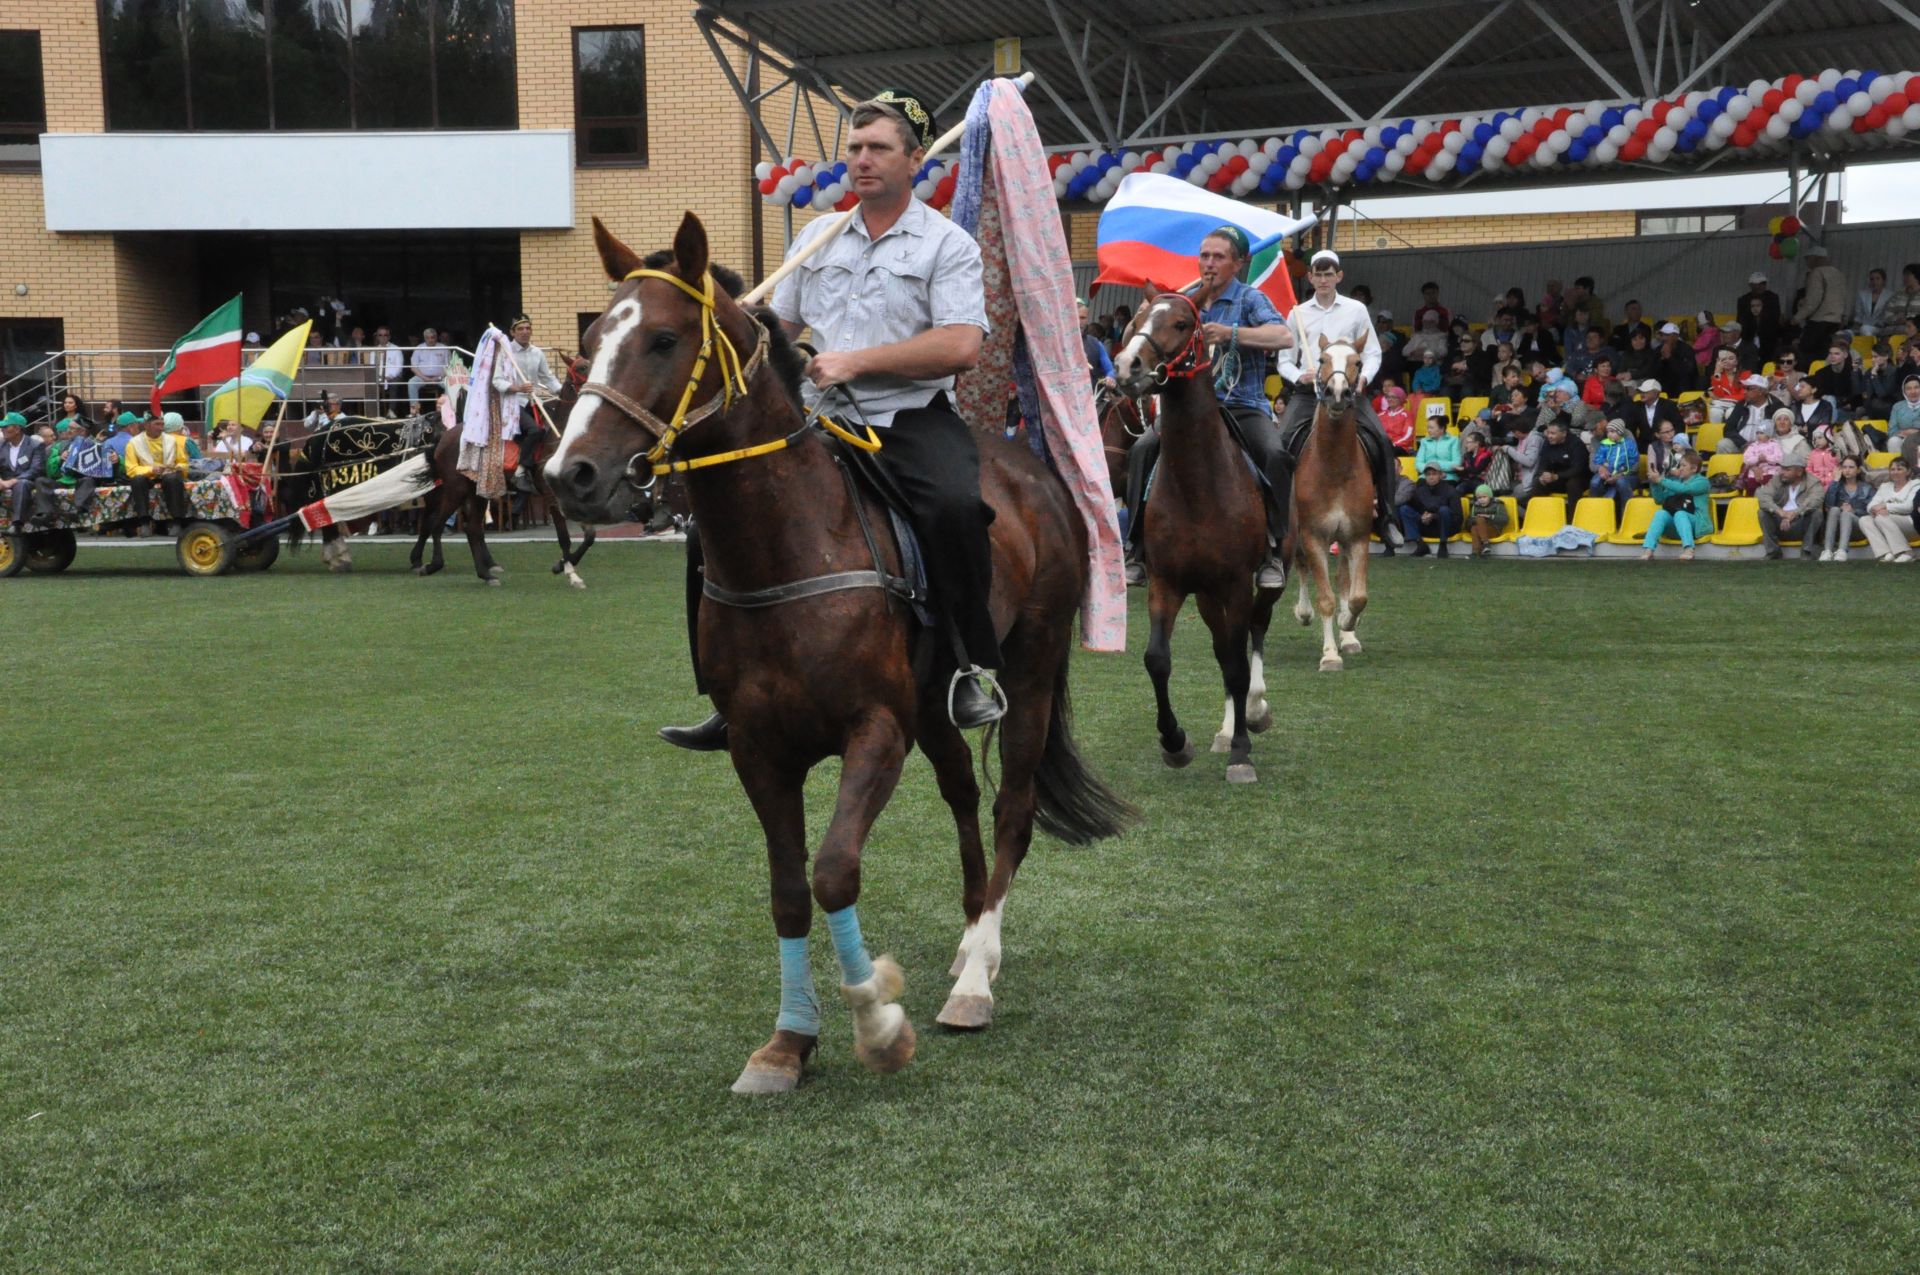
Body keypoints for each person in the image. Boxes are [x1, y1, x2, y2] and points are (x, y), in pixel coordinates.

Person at [663, 88, 1000, 751]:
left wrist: (857, 362)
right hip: (815, 423)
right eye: (854, 148)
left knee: (956, 507)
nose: (862, 160)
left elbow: (962, 345)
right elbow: (778, 332)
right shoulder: (817, 237)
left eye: (878, 148)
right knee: (712, 527)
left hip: (906, 419)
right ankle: (723, 691)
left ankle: (970, 666)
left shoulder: (947, 245)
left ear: (914, 160)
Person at [1123, 225, 1302, 588]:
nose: (1209, 263)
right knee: (1141, 449)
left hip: (1241, 405)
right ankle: (1136, 547)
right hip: (1186, 412)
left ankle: (1273, 548)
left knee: (1274, 454)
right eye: (1204, 255)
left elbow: (1283, 336)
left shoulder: (1250, 299)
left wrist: (1232, 333)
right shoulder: (1180, 300)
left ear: (1237, 264)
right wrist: (1141, 318)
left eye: (1218, 257)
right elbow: (1131, 342)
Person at [1268, 247, 1401, 549]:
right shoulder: (1297, 313)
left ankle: (1388, 517)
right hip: (1307, 394)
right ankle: (1276, 520)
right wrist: (1297, 376)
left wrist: (1364, 377)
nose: (1324, 279)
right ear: (1310, 277)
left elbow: (1372, 353)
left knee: (1381, 441)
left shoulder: (1355, 309)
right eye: (1319, 274)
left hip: (1350, 391)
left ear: (1339, 276)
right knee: (1279, 447)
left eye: (1330, 274)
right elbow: (1284, 360)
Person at [123, 411, 192, 529]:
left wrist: (180, 467)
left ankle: (176, 521)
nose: (161, 428)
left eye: (162, 424)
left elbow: (183, 462)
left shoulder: (172, 440)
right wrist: (151, 470)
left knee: (174, 479)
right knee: (137, 480)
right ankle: (144, 522)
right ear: (146, 425)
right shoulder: (133, 443)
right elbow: (131, 469)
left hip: (168, 474)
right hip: (147, 477)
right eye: (157, 424)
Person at [1640, 449, 1710, 560]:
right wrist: (1655, 484)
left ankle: (1689, 549)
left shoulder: (1703, 482)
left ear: (1694, 469)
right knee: (1661, 513)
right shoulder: (1675, 482)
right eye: (1679, 465)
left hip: (1697, 527)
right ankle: (1648, 550)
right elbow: (1659, 500)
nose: (1680, 468)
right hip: (1677, 528)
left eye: (1683, 465)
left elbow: (1684, 489)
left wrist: (1661, 480)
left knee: (1680, 514)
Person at [501, 316, 563, 439]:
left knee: (555, 426)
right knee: (534, 431)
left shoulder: (537, 352)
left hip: (535, 400)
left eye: (528, 328)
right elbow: (497, 381)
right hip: (513, 402)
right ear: (512, 332)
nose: (525, 332)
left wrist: (562, 391)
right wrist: (518, 388)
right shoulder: (505, 352)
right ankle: (523, 459)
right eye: (520, 329)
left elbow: (548, 377)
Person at [1757, 456, 1824, 559]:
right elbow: (1763, 497)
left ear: (1799, 472)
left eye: (1787, 469)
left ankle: (1807, 551)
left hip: (1801, 523)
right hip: (1780, 523)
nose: (1782, 472)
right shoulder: (1777, 479)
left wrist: (1793, 514)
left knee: (1817, 513)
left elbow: (1814, 501)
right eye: (1782, 468)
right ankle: (1773, 552)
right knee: (1762, 513)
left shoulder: (1813, 482)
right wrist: (1780, 512)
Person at [1792, 242, 1847, 364]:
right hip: (1835, 321)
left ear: (1816, 258)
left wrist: (1797, 317)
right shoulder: (1839, 274)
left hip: (1819, 320)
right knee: (1823, 355)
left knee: (1805, 354)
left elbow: (1813, 300)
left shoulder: (1817, 272)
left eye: (1808, 259)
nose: (1807, 262)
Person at [49, 416, 114, 518]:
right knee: (41, 481)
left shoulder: (99, 444)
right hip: (64, 480)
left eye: (71, 428)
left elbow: (111, 465)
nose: (68, 431)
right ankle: (45, 514)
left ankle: (77, 511)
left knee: (87, 480)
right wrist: (59, 458)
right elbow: (50, 470)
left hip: (83, 481)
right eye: (68, 428)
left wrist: (116, 459)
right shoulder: (60, 446)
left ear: (82, 431)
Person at [1858, 456, 1918, 562]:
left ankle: (1907, 552)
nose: (1895, 472)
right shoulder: (1884, 486)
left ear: (1908, 471)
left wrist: (1886, 507)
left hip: (1911, 523)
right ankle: (1886, 553)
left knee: (1881, 517)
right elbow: (1870, 506)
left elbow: (1909, 507)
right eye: (1893, 469)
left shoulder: (1916, 484)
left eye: (1899, 469)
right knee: (1864, 519)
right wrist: (1875, 509)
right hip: (1885, 521)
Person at [0, 412, 52, 527]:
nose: (2, 429)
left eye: (5, 426)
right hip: (5, 481)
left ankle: (17, 523)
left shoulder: (36, 445)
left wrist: (13, 481)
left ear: (17, 429)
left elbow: (36, 469)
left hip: (28, 481)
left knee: (22, 484)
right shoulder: (1, 445)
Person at [1530, 418, 1589, 518]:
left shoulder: (1576, 444)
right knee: (1538, 483)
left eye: (1553, 433)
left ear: (1564, 433)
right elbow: (1542, 463)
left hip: (1577, 478)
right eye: (1548, 433)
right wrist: (1543, 475)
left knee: (1573, 484)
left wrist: (1557, 476)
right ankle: (1542, 518)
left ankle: (1573, 521)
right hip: (1556, 477)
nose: (1549, 436)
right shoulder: (1547, 443)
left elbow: (1578, 468)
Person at [1400, 463, 1459, 556]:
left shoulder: (1451, 490)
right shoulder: (1419, 491)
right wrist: (1422, 517)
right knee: (1404, 509)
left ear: (1440, 475)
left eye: (1434, 474)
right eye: (1428, 474)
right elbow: (1413, 508)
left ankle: (1443, 545)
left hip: (1444, 528)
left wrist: (1433, 516)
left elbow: (1457, 517)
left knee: (1444, 510)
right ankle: (1420, 544)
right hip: (1425, 525)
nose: (1431, 477)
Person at [1820, 454, 1872, 561]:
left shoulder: (1867, 488)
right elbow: (1828, 506)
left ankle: (1842, 551)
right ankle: (1827, 550)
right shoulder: (1837, 486)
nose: (1847, 470)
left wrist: (1854, 511)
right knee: (1834, 509)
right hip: (1837, 529)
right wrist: (1834, 481)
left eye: (1851, 467)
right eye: (1844, 467)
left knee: (1846, 513)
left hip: (1859, 527)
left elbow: (1871, 512)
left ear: (1858, 470)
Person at [1589, 418, 1639, 519]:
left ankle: (1626, 518)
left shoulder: (1627, 437)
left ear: (1603, 423)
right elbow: (1592, 463)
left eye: (1594, 429)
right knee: (1594, 483)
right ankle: (1596, 517)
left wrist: (1618, 475)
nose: (1592, 433)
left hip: (1626, 474)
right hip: (1607, 473)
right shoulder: (1596, 440)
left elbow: (1635, 465)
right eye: (1590, 430)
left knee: (1620, 483)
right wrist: (1600, 467)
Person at [1720, 374, 1781, 453]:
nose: (1745, 392)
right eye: (1744, 388)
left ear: (1761, 392)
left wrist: (1764, 444)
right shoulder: (1741, 405)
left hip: (1766, 446)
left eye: (1749, 389)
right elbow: (1728, 430)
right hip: (1741, 445)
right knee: (1723, 444)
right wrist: (1743, 444)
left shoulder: (1775, 405)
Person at [1737, 270, 1783, 354]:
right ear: (1751, 285)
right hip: (1749, 336)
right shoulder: (1743, 300)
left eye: (1763, 283)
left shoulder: (1772, 297)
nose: (1761, 286)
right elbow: (1740, 319)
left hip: (1769, 338)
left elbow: (1776, 317)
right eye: (1758, 284)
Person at [1075, 299, 1116, 390]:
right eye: (1075, 317)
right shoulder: (1057, 342)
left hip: (1091, 398)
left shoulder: (1096, 344)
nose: (1079, 321)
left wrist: (1110, 377)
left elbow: (1110, 370)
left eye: (1083, 318)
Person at [1627, 378, 1681, 447]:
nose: (1642, 394)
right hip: (1643, 446)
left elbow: (1678, 426)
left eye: (1645, 392)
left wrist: (1674, 443)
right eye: (1641, 391)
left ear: (1656, 393)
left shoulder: (1669, 405)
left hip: (1666, 445)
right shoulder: (1636, 407)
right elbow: (1630, 429)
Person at [1738, 418, 1783, 494]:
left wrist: (1767, 458)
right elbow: (1746, 459)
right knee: (1751, 486)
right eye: (1757, 433)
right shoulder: (1753, 446)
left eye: (1762, 433)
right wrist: (1757, 459)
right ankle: (1751, 501)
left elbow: (1779, 458)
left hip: (1771, 471)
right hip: (1754, 471)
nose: (1759, 435)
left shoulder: (1775, 445)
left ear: (1768, 435)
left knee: (1769, 485)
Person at [1854, 342, 1899, 421]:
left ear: (1886, 356)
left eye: (1875, 356)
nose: (1872, 359)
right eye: (1872, 356)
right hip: (1872, 408)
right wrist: (1856, 371)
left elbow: (1882, 394)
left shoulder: (1894, 372)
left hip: (1888, 410)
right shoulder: (1870, 371)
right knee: (1859, 411)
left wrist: (1874, 376)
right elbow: (1858, 390)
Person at [407, 327, 449, 408]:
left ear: (436, 337)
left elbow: (449, 367)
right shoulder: (419, 348)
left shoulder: (444, 348)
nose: (430, 340)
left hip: (440, 377)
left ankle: (446, 410)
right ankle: (415, 410)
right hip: (422, 377)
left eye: (432, 337)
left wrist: (438, 377)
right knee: (411, 383)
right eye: (427, 338)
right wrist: (424, 377)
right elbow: (413, 367)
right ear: (424, 338)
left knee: (450, 384)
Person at [371, 326, 406, 414]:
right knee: (369, 384)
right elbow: (372, 367)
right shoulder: (373, 351)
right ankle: (373, 413)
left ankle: (391, 411)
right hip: (378, 377)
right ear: (377, 337)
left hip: (393, 377)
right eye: (380, 335)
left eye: (385, 335)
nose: (383, 337)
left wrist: (388, 377)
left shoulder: (396, 349)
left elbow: (399, 368)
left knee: (395, 383)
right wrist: (380, 376)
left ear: (389, 336)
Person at [1466, 482, 1507, 557]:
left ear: (1490, 496)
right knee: (1474, 526)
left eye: (1484, 497)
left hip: (1494, 530)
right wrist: (1474, 520)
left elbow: (1505, 520)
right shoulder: (1474, 507)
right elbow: (1467, 523)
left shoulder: (1498, 505)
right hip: (1479, 531)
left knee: (1479, 520)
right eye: (1479, 498)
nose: (1482, 500)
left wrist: (1489, 516)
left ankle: (1481, 547)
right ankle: (1479, 549)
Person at [1414, 415, 1459, 481]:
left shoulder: (1454, 440)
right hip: (1426, 477)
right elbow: (1418, 463)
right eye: (1428, 428)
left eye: (1431, 428)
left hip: (1447, 477)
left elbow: (1456, 463)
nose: (1428, 430)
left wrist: (1434, 467)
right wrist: (1433, 470)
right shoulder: (1424, 442)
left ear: (1442, 428)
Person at [1653, 323, 1694, 393]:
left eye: (1667, 335)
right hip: (1664, 384)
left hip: (1682, 386)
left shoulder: (1686, 349)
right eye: (1662, 335)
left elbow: (1686, 372)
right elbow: (1653, 373)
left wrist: (1669, 358)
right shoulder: (1658, 350)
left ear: (1676, 336)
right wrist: (1662, 359)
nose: (1664, 338)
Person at [1887, 374, 1920, 458]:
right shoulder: (1897, 407)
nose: (1913, 391)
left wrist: (1915, 434)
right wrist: (1903, 433)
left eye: (1916, 387)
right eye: (1908, 388)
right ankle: (1900, 468)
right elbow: (1891, 431)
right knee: (1893, 441)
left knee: (1912, 442)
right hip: (1903, 438)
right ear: (1904, 391)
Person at [1854, 267, 1893, 337]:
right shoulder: (1862, 294)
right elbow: (1858, 315)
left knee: (1865, 329)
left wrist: (1881, 324)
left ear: (1884, 281)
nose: (1874, 282)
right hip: (1863, 326)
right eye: (1872, 279)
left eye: (1878, 278)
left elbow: (1888, 316)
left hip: (1881, 328)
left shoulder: (1890, 296)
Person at [1378, 385, 1415, 453]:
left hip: (1400, 446)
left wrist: (1393, 444)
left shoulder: (1407, 415)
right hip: (1383, 446)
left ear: (1401, 399)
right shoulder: (1380, 415)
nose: (1390, 399)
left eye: (1393, 397)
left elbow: (1408, 435)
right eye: (1388, 397)